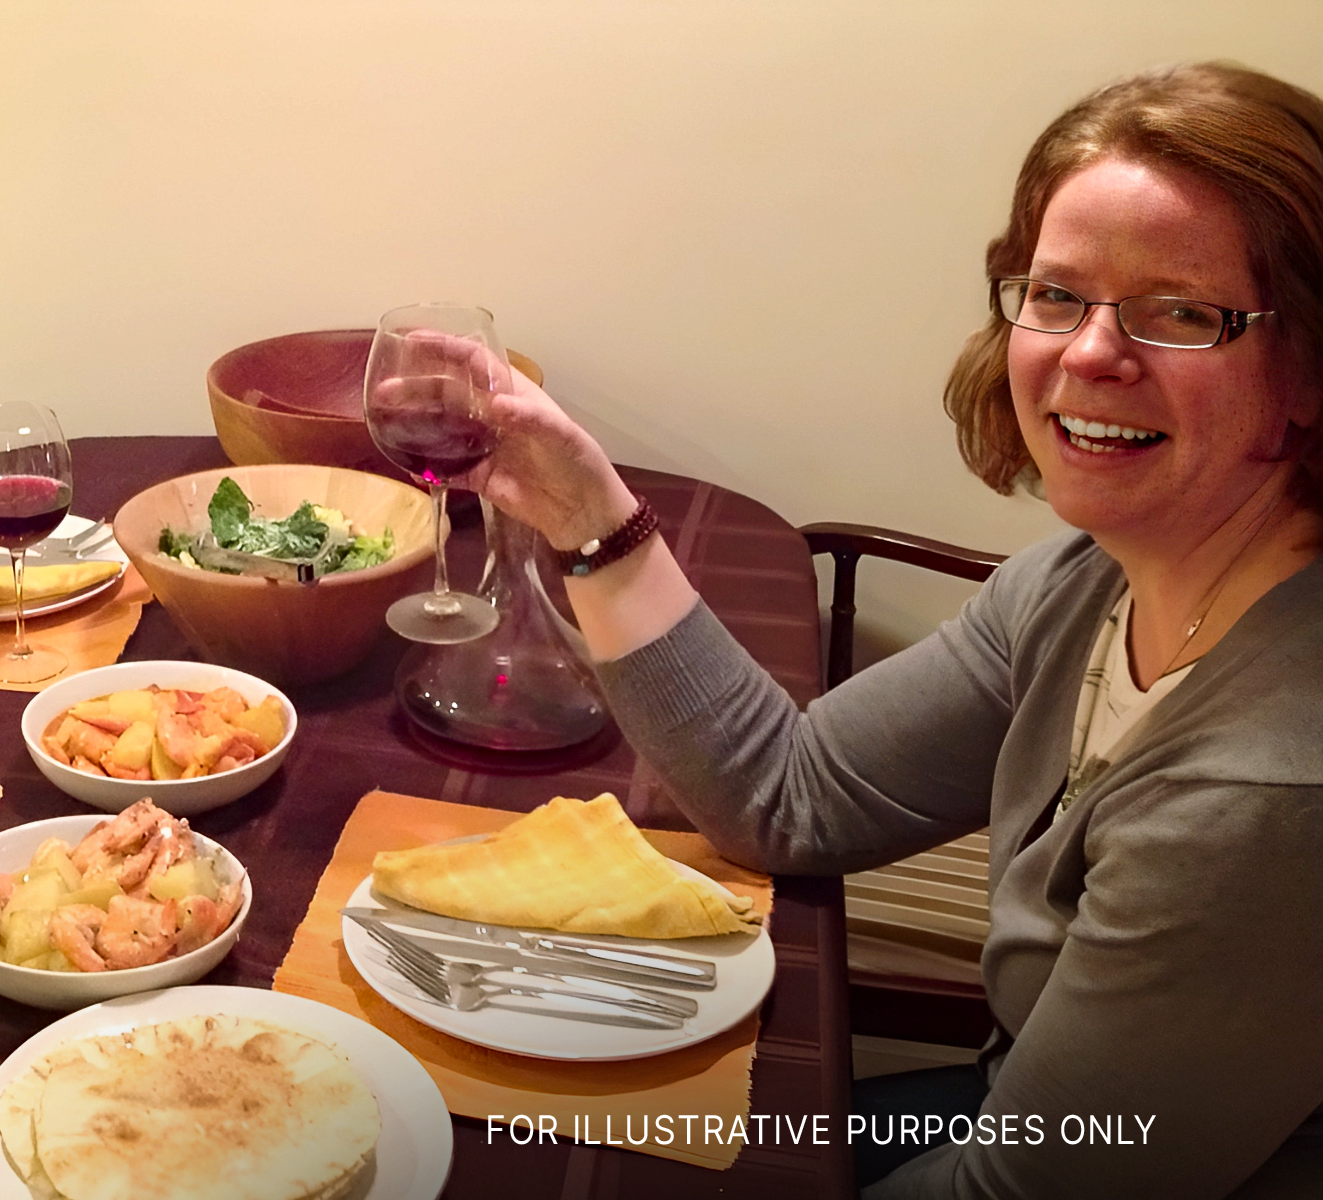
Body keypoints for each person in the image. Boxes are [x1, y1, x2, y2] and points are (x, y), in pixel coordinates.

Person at [461, 62, 1323, 1197]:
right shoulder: (1086, 582)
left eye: (1182, 313)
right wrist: (589, 513)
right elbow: (791, 794)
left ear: (1307, 363)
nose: (1091, 354)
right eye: (1057, 294)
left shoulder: (1263, 803)